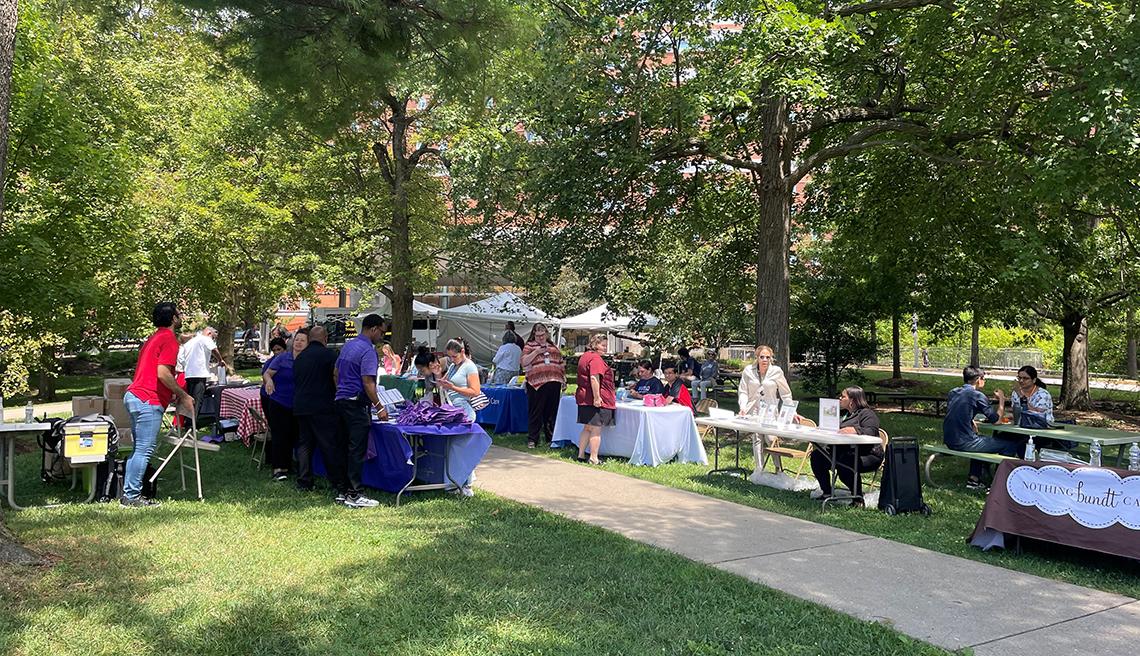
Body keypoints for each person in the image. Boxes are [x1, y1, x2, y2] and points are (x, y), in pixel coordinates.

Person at [121, 302, 194, 508]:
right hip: (147, 399)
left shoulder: (153, 338)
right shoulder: (169, 339)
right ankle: (131, 497)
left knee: (138, 449)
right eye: (178, 314)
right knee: (144, 449)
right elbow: (162, 372)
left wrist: (169, 393)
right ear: (173, 318)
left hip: (136, 395)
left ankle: (130, 493)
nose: (180, 317)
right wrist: (183, 395)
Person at [333, 313, 388, 509]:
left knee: (343, 448)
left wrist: (341, 391)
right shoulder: (368, 351)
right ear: (373, 329)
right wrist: (379, 407)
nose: (382, 335)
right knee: (357, 450)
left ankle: (342, 491)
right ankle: (354, 494)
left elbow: (336, 373)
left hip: (341, 401)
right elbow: (368, 382)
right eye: (381, 331)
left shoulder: (348, 345)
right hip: (356, 404)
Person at [943, 365, 1013, 490]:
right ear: (978, 379)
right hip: (964, 442)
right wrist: (1002, 400)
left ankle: (974, 479)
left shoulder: (953, 392)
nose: (984, 381)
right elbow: (996, 420)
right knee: (1009, 445)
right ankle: (998, 483)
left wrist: (971, 421)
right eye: (984, 379)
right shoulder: (977, 395)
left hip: (950, 440)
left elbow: (957, 411)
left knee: (980, 440)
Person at [810, 387, 883, 504]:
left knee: (845, 462)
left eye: (843, 396)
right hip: (843, 451)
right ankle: (827, 492)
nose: (840, 398)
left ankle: (858, 498)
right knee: (817, 456)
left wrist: (855, 430)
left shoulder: (867, 414)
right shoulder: (844, 414)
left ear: (852, 400)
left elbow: (872, 431)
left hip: (869, 454)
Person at [291, 325, 340, 496]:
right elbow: (336, 377)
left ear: (310, 339)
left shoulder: (300, 358)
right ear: (325, 338)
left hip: (301, 406)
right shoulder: (329, 355)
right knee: (328, 444)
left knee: (304, 445)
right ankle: (336, 481)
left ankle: (304, 480)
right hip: (322, 406)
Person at [738, 345, 795, 471]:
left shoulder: (776, 371)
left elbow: (785, 393)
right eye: (762, 357)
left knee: (771, 438)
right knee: (757, 438)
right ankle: (759, 469)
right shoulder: (748, 371)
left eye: (767, 357)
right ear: (757, 358)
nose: (765, 360)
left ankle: (778, 469)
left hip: (770, 411)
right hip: (754, 410)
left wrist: (791, 409)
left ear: (771, 359)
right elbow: (743, 391)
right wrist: (742, 406)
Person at [263, 333, 304, 482]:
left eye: (302, 341)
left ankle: (289, 465)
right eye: (297, 340)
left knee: (295, 435)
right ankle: (278, 469)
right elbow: (267, 373)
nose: (298, 343)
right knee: (280, 435)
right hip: (279, 401)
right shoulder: (282, 358)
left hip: (298, 403)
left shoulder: (306, 360)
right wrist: (269, 381)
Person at [521, 322, 564, 449]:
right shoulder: (529, 346)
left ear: (546, 334)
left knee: (551, 412)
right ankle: (533, 439)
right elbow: (523, 362)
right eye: (538, 335)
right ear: (533, 334)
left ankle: (550, 437)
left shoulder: (553, 346)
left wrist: (564, 379)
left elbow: (560, 362)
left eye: (543, 334)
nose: (540, 337)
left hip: (554, 381)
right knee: (536, 411)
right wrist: (536, 352)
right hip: (536, 383)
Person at [574, 333, 615, 465]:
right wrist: (597, 398)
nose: (605, 348)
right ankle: (593, 458)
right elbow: (594, 378)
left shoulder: (585, 356)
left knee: (587, 427)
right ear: (595, 345)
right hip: (594, 398)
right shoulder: (596, 359)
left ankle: (580, 455)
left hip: (583, 396)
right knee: (596, 428)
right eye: (603, 345)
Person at [183, 327, 231, 414]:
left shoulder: (191, 341)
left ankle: (189, 421)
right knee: (197, 400)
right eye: (213, 338)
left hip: (189, 374)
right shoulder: (205, 339)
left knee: (191, 399)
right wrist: (220, 360)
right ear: (209, 333)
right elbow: (214, 349)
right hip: (199, 374)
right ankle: (193, 424)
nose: (213, 340)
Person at [438, 337, 482, 422]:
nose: (452, 359)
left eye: (454, 356)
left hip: (463, 411)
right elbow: (442, 383)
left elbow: (475, 391)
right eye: (449, 357)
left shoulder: (470, 366)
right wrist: (437, 374)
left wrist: (453, 388)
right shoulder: (453, 366)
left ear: (462, 352)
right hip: (451, 408)